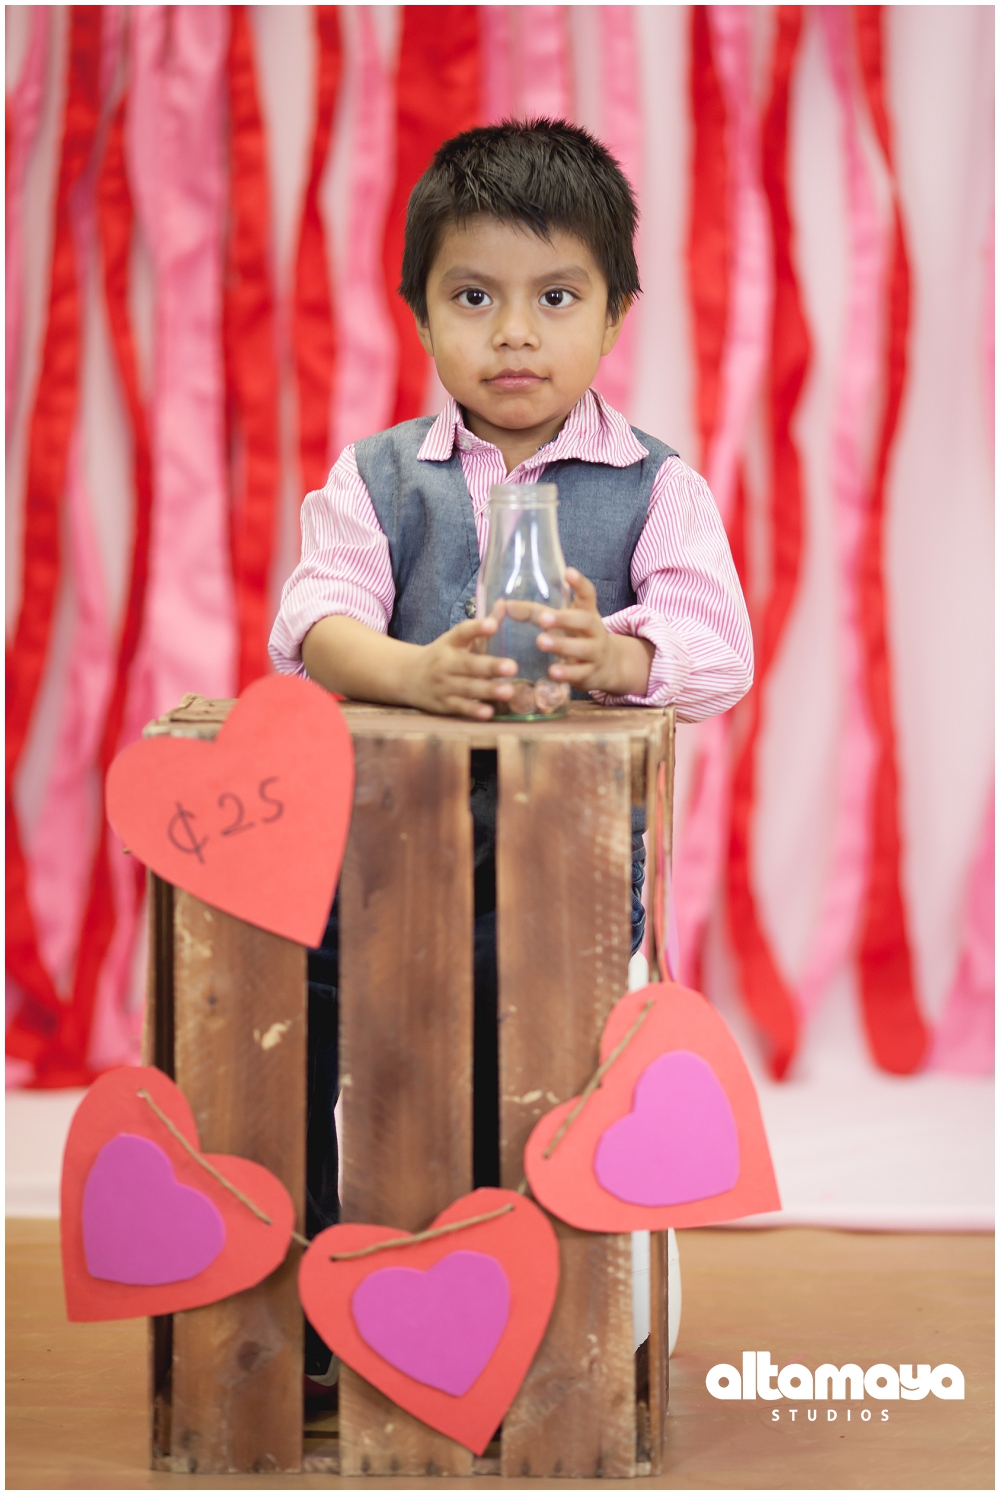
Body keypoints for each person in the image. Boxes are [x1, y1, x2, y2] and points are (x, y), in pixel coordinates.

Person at [269, 118, 753, 1383]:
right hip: (377, 860)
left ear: (616, 315)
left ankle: (520, 1301)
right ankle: (325, 1280)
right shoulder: (380, 477)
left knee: (521, 1056)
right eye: (473, 298)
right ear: (421, 314)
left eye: (556, 298)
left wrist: (616, 653)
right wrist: (411, 670)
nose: (515, 334)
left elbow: (716, 649)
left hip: (561, 876)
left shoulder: (654, 487)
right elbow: (315, 622)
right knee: (311, 1023)